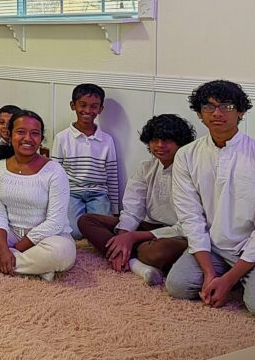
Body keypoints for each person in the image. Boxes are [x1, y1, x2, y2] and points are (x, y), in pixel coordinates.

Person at [165, 80, 255, 322]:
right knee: (178, 286)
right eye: (208, 107)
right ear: (200, 113)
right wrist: (210, 274)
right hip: (213, 246)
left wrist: (228, 280)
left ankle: (241, 278)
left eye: (227, 106)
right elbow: (190, 217)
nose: (217, 113)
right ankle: (226, 276)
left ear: (241, 112)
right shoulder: (186, 155)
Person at [0, 110, 76, 281]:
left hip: (48, 236)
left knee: (62, 254)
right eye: (20, 132)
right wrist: (3, 248)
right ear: (10, 135)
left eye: (35, 134)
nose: (28, 138)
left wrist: (16, 248)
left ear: (41, 139)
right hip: (11, 233)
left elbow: (55, 222)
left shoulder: (54, 171)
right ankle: (34, 265)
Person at [78, 114, 195, 285]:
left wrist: (133, 238)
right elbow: (132, 209)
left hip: (177, 234)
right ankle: (135, 264)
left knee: (157, 252)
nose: (160, 146)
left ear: (181, 143)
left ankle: (134, 256)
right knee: (87, 220)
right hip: (148, 225)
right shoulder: (145, 168)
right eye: (155, 140)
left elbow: (188, 226)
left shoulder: (191, 172)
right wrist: (124, 236)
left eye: (167, 140)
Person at [51, 83, 119, 239]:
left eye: (94, 106)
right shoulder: (62, 138)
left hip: (99, 194)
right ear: (73, 105)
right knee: (73, 232)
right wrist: (54, 203)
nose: (88, 111)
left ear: (101, 109)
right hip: (72, 193)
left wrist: (115, 209)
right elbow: (55, 173)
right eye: (83, 105)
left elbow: (112, 176)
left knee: (104, 231)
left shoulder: (107, 140)